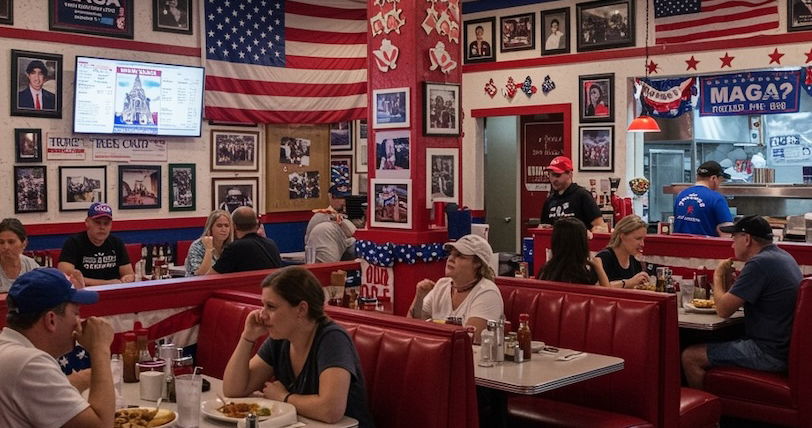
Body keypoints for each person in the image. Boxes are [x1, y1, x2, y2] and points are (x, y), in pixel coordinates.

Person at [222, 267, 374, 427]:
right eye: (263, 306)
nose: (262, 315)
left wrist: (284, 397)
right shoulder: (280, 338)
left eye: (271, 307)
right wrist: (247, 337)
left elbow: (331, 410)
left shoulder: (332, 339)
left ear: (301, 309)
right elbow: (234, 390)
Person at [682, 216, 802, 388]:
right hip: (784, 348)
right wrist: (731, 285)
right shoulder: (783, 257)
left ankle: (703, 411)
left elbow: (723, 310)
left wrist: (717, 276)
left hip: (768, 353)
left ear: (746, 239)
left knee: (690, 356)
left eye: (734, 238)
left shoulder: (759, 264)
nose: (732, 245)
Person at [0, 268, 115, 427]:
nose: (79, 322)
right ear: (51, 320)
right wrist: (100, 348)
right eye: (75, 313)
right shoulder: (29, 362)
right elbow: (101, 426)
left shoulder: (10, 350)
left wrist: (78, 380)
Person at [408, 234, 504, 343]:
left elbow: (471, 339)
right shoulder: (441, 285)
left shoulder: (487, 293)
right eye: (451, 254)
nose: (451, 259)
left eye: (460, 255)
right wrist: (420, 296)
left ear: (477, 263)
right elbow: (411, 328)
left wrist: (432, 325)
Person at [58, 202, 135, 285]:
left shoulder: (117, 242)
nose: (102, 227)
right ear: (87, 222)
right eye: (97, 222)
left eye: (106, 223)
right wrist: (107, 283)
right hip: (83, 293)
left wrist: (128, 278)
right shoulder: (73, 242)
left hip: (113, 292)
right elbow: (66, 276)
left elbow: (128, 273)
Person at [539, 156, 605, 231]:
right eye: (551, 175)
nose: (554, 180)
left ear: (570, 174)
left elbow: (600, 226)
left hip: (579, 242)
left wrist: (588, 234)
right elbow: (543, 227)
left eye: (557, 175)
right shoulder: (550, 201)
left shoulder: (582, 196)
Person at [539, 217, 610, 286]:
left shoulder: (546, 271)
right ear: (582, 244)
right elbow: (606, 294)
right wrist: (599, 268)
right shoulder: (581, 275)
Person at [210, 206, 282, 274]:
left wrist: (208, 250)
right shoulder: (271, 243)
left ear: (234, 226)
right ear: (257, 224)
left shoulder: (235, 247)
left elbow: (213, 276)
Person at [673, 160, 734, 237]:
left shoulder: (681, 195)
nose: (719, 185)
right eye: (720, 181)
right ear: (713, 178)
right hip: (705, 247)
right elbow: (726, 232)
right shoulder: (716, 199)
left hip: (680, 246)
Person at [594, 215, 651, 288]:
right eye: (638, 238)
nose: (642, 244)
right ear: (622, 236)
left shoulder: (635, 260)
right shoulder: (604, 257)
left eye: (643, 239)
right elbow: (596, 287)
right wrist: (629, 282)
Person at [305, 183, 357, 263]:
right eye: (339, 198)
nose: (343, 201)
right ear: (330, 197)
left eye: (346, 198)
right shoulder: (321, 216)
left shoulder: (352, 216)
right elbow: (309, 243)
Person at [185, 210, 233, 276]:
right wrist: (208, 250)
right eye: (219, 226)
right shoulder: (197, 246)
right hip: (197, 284)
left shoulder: (231, 245)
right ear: (210, 228)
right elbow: (200, 274)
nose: (224, 229)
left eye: (227, 226)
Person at [0, 218, 40, 293]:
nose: (5, 247)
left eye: (11, 242)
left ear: (24, 244)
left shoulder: (31, 265)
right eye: (1, 242)